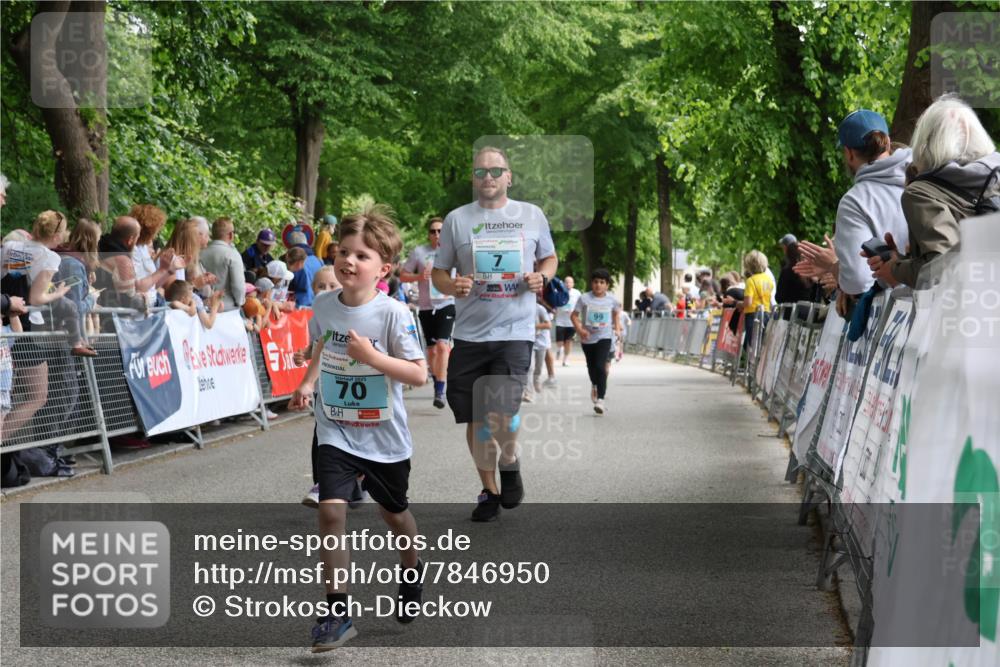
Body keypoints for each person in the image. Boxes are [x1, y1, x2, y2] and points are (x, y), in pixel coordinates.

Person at [288, 204, 427, 650]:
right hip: (335, 427)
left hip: (384, 437)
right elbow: (322, 347)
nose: (349, 260)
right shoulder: (325, 305)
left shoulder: (393, 314)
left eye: (362, 256)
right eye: (343, 252)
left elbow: (419, 373)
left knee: (394, 515)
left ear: (382, 268)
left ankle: (412, 571)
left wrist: (373, 359)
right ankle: (337, 613)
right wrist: (308, 383)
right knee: (331, 511)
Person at [432, 145, 557, 522]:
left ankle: (509, 459)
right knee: (474, 418)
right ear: (473, 177)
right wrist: (452, 287)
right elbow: (439, 272)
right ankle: (489, 490)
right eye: (481, 172)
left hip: (515, 331)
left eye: (496, 171)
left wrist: (542, 276)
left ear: (509, 176)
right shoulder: (457, 220)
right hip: (469, 334)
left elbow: (549, 258)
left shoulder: (531, 216)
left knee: (502, 411)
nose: (489, 178)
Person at [868, 95, 1000, 288]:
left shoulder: (921, 193)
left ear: (924, 140)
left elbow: (942, 269)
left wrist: (895, 270)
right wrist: (904, 260)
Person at [825, 109, 911, 316]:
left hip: (897, 320)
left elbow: (857, 280)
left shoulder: (855, 201)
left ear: (849, 153)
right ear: (888, 142)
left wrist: (834, 267)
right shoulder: (927, 174)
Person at [0, 211, 94, 356]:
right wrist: (58, 293)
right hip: (26, 320)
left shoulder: (10, 246)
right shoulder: (50, 257)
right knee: (70, 305)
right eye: (64, 231)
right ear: (56, 236)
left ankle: (77, 342)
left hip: (4, 309)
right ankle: (76, 343)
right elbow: (36, 298)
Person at [400, 216, 456, 409]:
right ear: (428, 234)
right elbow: (402, 275)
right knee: (431, 351)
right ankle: (436, 379)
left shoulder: (453, 251)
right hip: (426, 306)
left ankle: (441, 389)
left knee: (442, 346)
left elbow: (465, 273)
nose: (437, 234)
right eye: (433, 231)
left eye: (440, 231)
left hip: (446, 303)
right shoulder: (419, 252)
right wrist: (418, 276)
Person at [571, 268, 622, 415]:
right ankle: (594, 384)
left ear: (607, 285)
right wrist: (580, 330)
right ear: (591, 283)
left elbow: (616, 313)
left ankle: (601, 399)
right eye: (595, 282)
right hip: (587, 338)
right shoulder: (584, 298)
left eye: (602, 282)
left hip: (604, 337)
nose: (598, 285)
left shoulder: (612, 299)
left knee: (601, 366)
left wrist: (617, 328)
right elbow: (574, 316)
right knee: (591, 366)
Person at [55, 218, 102, 344]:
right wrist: (92, 299)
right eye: (97, 241)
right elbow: (74, 308)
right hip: (68, 337)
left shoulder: (64, 257)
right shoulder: (73, 266)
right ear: (91, 243)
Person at [128, 204, 172, 307]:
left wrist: (170, 269)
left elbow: (153, 285)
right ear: (148, 230)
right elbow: (139, 287)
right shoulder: (134, 250)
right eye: (157, 230)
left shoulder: (143, 248)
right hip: (142, 309)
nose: (157, 234)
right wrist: (162, 269)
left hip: (153, 303)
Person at [200, 217, 245, 311]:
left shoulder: (200, 252)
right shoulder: (232, 254)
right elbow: (238, 286)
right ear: (231, 235)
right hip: (227, 307)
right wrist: (240, 302)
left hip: (203, 306)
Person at [734, 251, 774, 350]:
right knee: (762, 342)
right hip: (766, 313)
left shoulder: (750, 281)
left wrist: (739, 304)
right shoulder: (769, 280)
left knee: (752, 343)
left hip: (753, 314)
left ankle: (751, 364)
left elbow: (748, 302)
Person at [523, 297, 554, 402]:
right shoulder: (522, 308)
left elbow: (548, 325)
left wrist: (532, 326)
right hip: (528, 341)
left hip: (541, 342)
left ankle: (536, 380)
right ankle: (528, 393)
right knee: (529, 367)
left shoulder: (540, 309)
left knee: (538, 367)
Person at [286, 230, 324, 307]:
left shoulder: (296, 261)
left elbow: (290, 286)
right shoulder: (318, 260)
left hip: (300, 305)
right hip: (318, 304)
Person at [775, 234, 815, 304]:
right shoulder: (808, 269)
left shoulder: (787, 271)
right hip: (808, 312)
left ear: (785, 248)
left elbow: (779, 297)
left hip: (791, 312)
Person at [553, 275, 581, 366]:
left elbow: (580, 305)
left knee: (568, 341)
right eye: (566, 282)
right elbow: (554, 304)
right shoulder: (558, 291)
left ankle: (565, 360)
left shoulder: (577, 293)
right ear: (564, 283)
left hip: (571, 322)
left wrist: (576, 313)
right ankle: (559, 350)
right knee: (560, 342)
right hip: (560, 321)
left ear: (573, 284)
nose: (568, 284)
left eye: (570, 282)